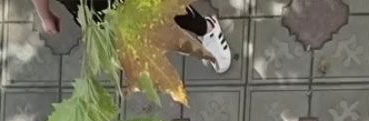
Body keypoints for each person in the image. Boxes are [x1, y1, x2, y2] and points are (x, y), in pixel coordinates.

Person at [31, 0, 232, 74]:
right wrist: (45, 15)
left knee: (166, 9)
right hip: (93, 12)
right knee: (137, 31)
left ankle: (206, 28)